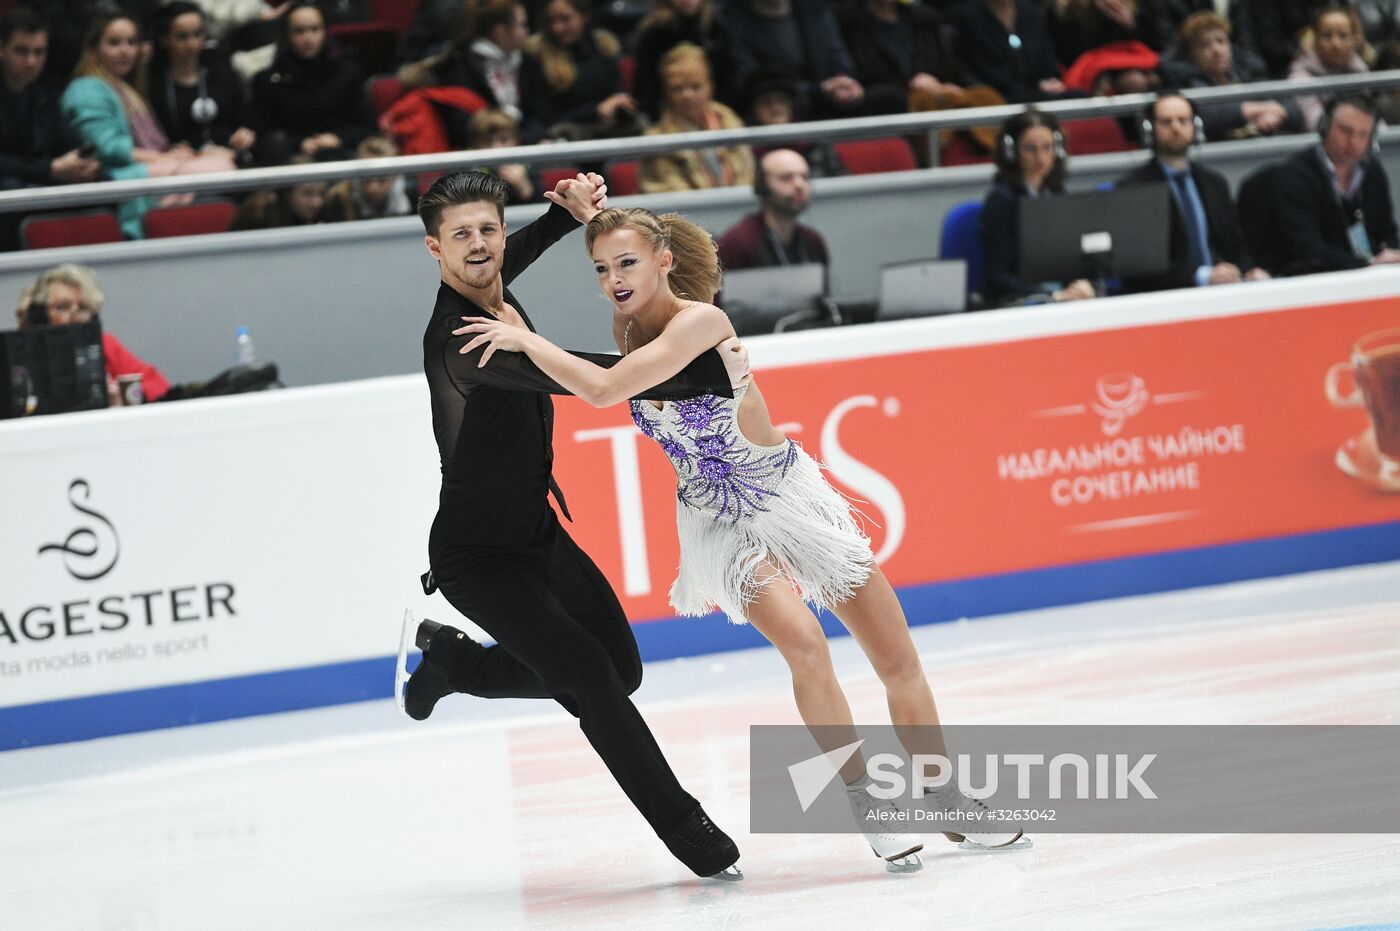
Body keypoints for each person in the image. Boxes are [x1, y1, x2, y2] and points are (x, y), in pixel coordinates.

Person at [453, 204, 1029, 868]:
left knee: (896, 659)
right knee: (806, 645)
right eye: (602, 268)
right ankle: (870, 803)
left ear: (664, 261)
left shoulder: (704, 322)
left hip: (787, 497)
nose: (614, 279)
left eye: (628, 263)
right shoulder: (627, 326)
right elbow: (600, 374)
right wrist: (521, 317)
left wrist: (529, 340)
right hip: (714, 523)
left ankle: (947, 797)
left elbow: (608, 390)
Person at [395, 170, 748, 880]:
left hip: (537, 533)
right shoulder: (464, 339)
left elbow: (506, 258)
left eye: (488, 229)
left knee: (620, 669)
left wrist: (561, 217)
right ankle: (691, 832)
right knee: (590, 679)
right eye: (460, 235)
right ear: (434, 249)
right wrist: (695, 373)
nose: (480, 246)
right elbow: (592, 381)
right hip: (477, 555)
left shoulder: (490, 279)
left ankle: (456, 664)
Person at [61, 12, 238, 239]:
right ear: (94, 48)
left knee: (220, 159)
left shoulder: (126, 87)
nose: (125, 51)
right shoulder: (86, 89)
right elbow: (109, 149)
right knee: (217, 168)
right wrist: (166, 159)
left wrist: (173, 153)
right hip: (113, 175)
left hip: (137, 167)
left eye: (132, 42)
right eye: (114, 43)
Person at [1116, 94, 1267, 292]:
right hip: (1166, 298)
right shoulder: (1134, 188)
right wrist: (1203, 276)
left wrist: (1249, 270)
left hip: (1223, 291)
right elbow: (1140, 265)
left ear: (1196, 126)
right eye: (1166, 122)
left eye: (1183, 120)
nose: (1176, 127)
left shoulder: (1214, 183)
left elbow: (1235, 242)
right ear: (1149, 129)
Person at [0, 7, 101, 251]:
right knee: (11, 191)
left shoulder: (44, 93)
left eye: (39, 52)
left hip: (38, 178)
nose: (31, 61)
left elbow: (66, 140)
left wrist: (81, 162)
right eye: (21, 51)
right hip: (12, 185)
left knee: (102, 181)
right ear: (1, 49)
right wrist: (50, 168)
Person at [1271, 94, 1400, 274]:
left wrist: (1389, 256)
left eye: (1363, 134)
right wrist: (1365, 264)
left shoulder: (1372, 171)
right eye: (1346, 131)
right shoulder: (1295, 175)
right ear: (1324, 127)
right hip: (1321, 280)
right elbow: (1305, 247)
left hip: (1372, 277)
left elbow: (1387, 231)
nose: (1353, 142)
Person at [980, 109, 1095, 307]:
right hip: (1020, 301)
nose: (1040, 157)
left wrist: (1081, 284)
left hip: (1061, 298)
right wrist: (1051, 295)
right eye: (1030, 149)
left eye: (1047, 147)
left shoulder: (1058, 193)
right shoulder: (1001, 201)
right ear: (1012, 151)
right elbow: (997, 278)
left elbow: (1073, 256)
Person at [397, 0, 548, 146]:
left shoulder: (529, 63)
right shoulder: (460, 68)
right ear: (501, 31)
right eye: (522, 25)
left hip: (526, 147)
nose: (527, 32)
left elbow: (542, 114)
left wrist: (523, 140)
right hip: (479, 156)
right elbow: (464, 126)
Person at [14, 263, 171, 404]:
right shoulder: (23, 353)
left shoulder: (105, 344)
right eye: (63, 306)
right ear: (41, 314)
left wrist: (121, 394)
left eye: (82, 307)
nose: (74, 315)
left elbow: (158, 385)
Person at [250, 1, 374, 164]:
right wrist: (300, 143)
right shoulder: (268, 81)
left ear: (325, 32)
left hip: (341, 158)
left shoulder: (347, 74)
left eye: (315, 29)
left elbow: (368, 126)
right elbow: (261, 135)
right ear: (286, 35)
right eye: (299, 31)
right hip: (289, 164)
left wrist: (338, 138)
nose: (308, 38)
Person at [147, 2, 258, 166]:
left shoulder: (221, 70)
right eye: (182, 36)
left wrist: (246, 133)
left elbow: (246, 119)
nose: (192, 43)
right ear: (164, 40)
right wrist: (172, 148)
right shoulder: (154, 84)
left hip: (231, 156)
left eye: (198, 34)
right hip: (184, 163)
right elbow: (155, 137)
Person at [1165, 11, 1301, 141]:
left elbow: (1295, 111)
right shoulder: (1187, 84)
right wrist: (1251, 110)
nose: (1216, 50)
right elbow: (1204, 118)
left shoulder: (1251, 71)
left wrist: (1275, 114)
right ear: (1190, 54)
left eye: (1221, 41)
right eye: (1204, 45)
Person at [719, 0, 866, 118]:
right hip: (775, 116)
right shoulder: (733, 22)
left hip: (830, 108)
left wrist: (844, 82)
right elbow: (751, 81)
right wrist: (820, 89)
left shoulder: (814, 10)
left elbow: (839, 58)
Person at [639, 43, 754, 194]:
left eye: (696, 87)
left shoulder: (730, 122)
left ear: (710, 87)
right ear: (666, 93)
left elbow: (749, 177)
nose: (687, 95)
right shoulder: (657, 139)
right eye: (677, 89)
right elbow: (671, 196)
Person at [526, 0, 641, 141]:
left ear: (584, 16)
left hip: (609, 131)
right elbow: (546, 118)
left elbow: (616, 93)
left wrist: (620, 103)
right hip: (566, 137)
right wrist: (596, 110)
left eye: (565, 19)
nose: (557, 28)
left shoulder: (604, 46)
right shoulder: (537, 56)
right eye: (551, 21)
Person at [716, 148, 827, 271]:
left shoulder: (813, 242)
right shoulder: (739, 243)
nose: (799, 185)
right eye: (786, 178)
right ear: (762, 186)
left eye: (805, 177)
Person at [956, 0, 1077, 103]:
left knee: (1078, 96)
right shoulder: (971, 17)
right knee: (1045, 99)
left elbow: (1046, 56)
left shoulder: (1028, 11)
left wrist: (1051, 79)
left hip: (1039, 89)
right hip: (1002, 94)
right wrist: (1034, 89)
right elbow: (987, 71)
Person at [629, 0, 730, 120]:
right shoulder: (653, 33)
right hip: (665, 117)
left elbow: (726, 79)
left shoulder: (717, 28)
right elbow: (646, 90)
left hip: (713, 112)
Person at [1289, 4, 1371, 131]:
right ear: (1315, 39)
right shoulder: (1300, 75)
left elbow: (1368, 116)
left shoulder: (1360, 69)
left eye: (1343, 36)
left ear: (1354, 39)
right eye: (1327, 35)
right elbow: (1316, 123)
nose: (1336, 44)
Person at [323, 136, 412, 222]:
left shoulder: (410, 195)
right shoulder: (339, 199)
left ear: (395, 177)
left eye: (382, 180)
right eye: (366, 179)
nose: (373, 187)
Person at [229, 153, 329, 229]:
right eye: (307, 194)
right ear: (287, 194)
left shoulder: (321, 212)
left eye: (321, 193)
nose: (317, 203)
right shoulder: (259, 214)